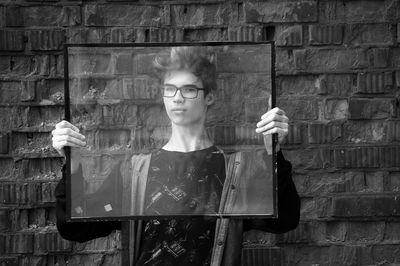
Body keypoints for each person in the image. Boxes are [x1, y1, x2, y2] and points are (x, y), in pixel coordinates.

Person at [53, 46, 300, 266]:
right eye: (170, 89)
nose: (177, 98)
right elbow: (76, 228)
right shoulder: (134, 172)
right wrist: (72, 165)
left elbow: (285, 220)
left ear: (209, 97)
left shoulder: (235, 171)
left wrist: (273, 152)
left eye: (189, 89)